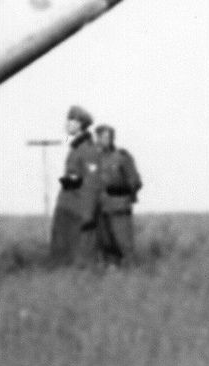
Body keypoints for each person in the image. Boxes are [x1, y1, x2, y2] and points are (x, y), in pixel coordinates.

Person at [50, 105, 102, 267]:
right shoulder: (76, 147)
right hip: (68, 205)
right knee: (63, 254)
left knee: (80, 257)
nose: (67, 124)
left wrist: (87, 214)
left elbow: (91, 183)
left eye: (71, 121)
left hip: (78, 208)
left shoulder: (87, 150)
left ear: (81, 124)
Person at [94, 125, 142, 265]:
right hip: (100, 209)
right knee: (106, 247)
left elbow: (135, 182)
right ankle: (112, 278)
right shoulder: (94, 159)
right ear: (97, 138)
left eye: (109, 137)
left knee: (125, 245)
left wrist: (119, 189)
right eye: (102, 137)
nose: (106, 140)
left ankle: (133, 277)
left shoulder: (122, 157)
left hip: (119, 208)